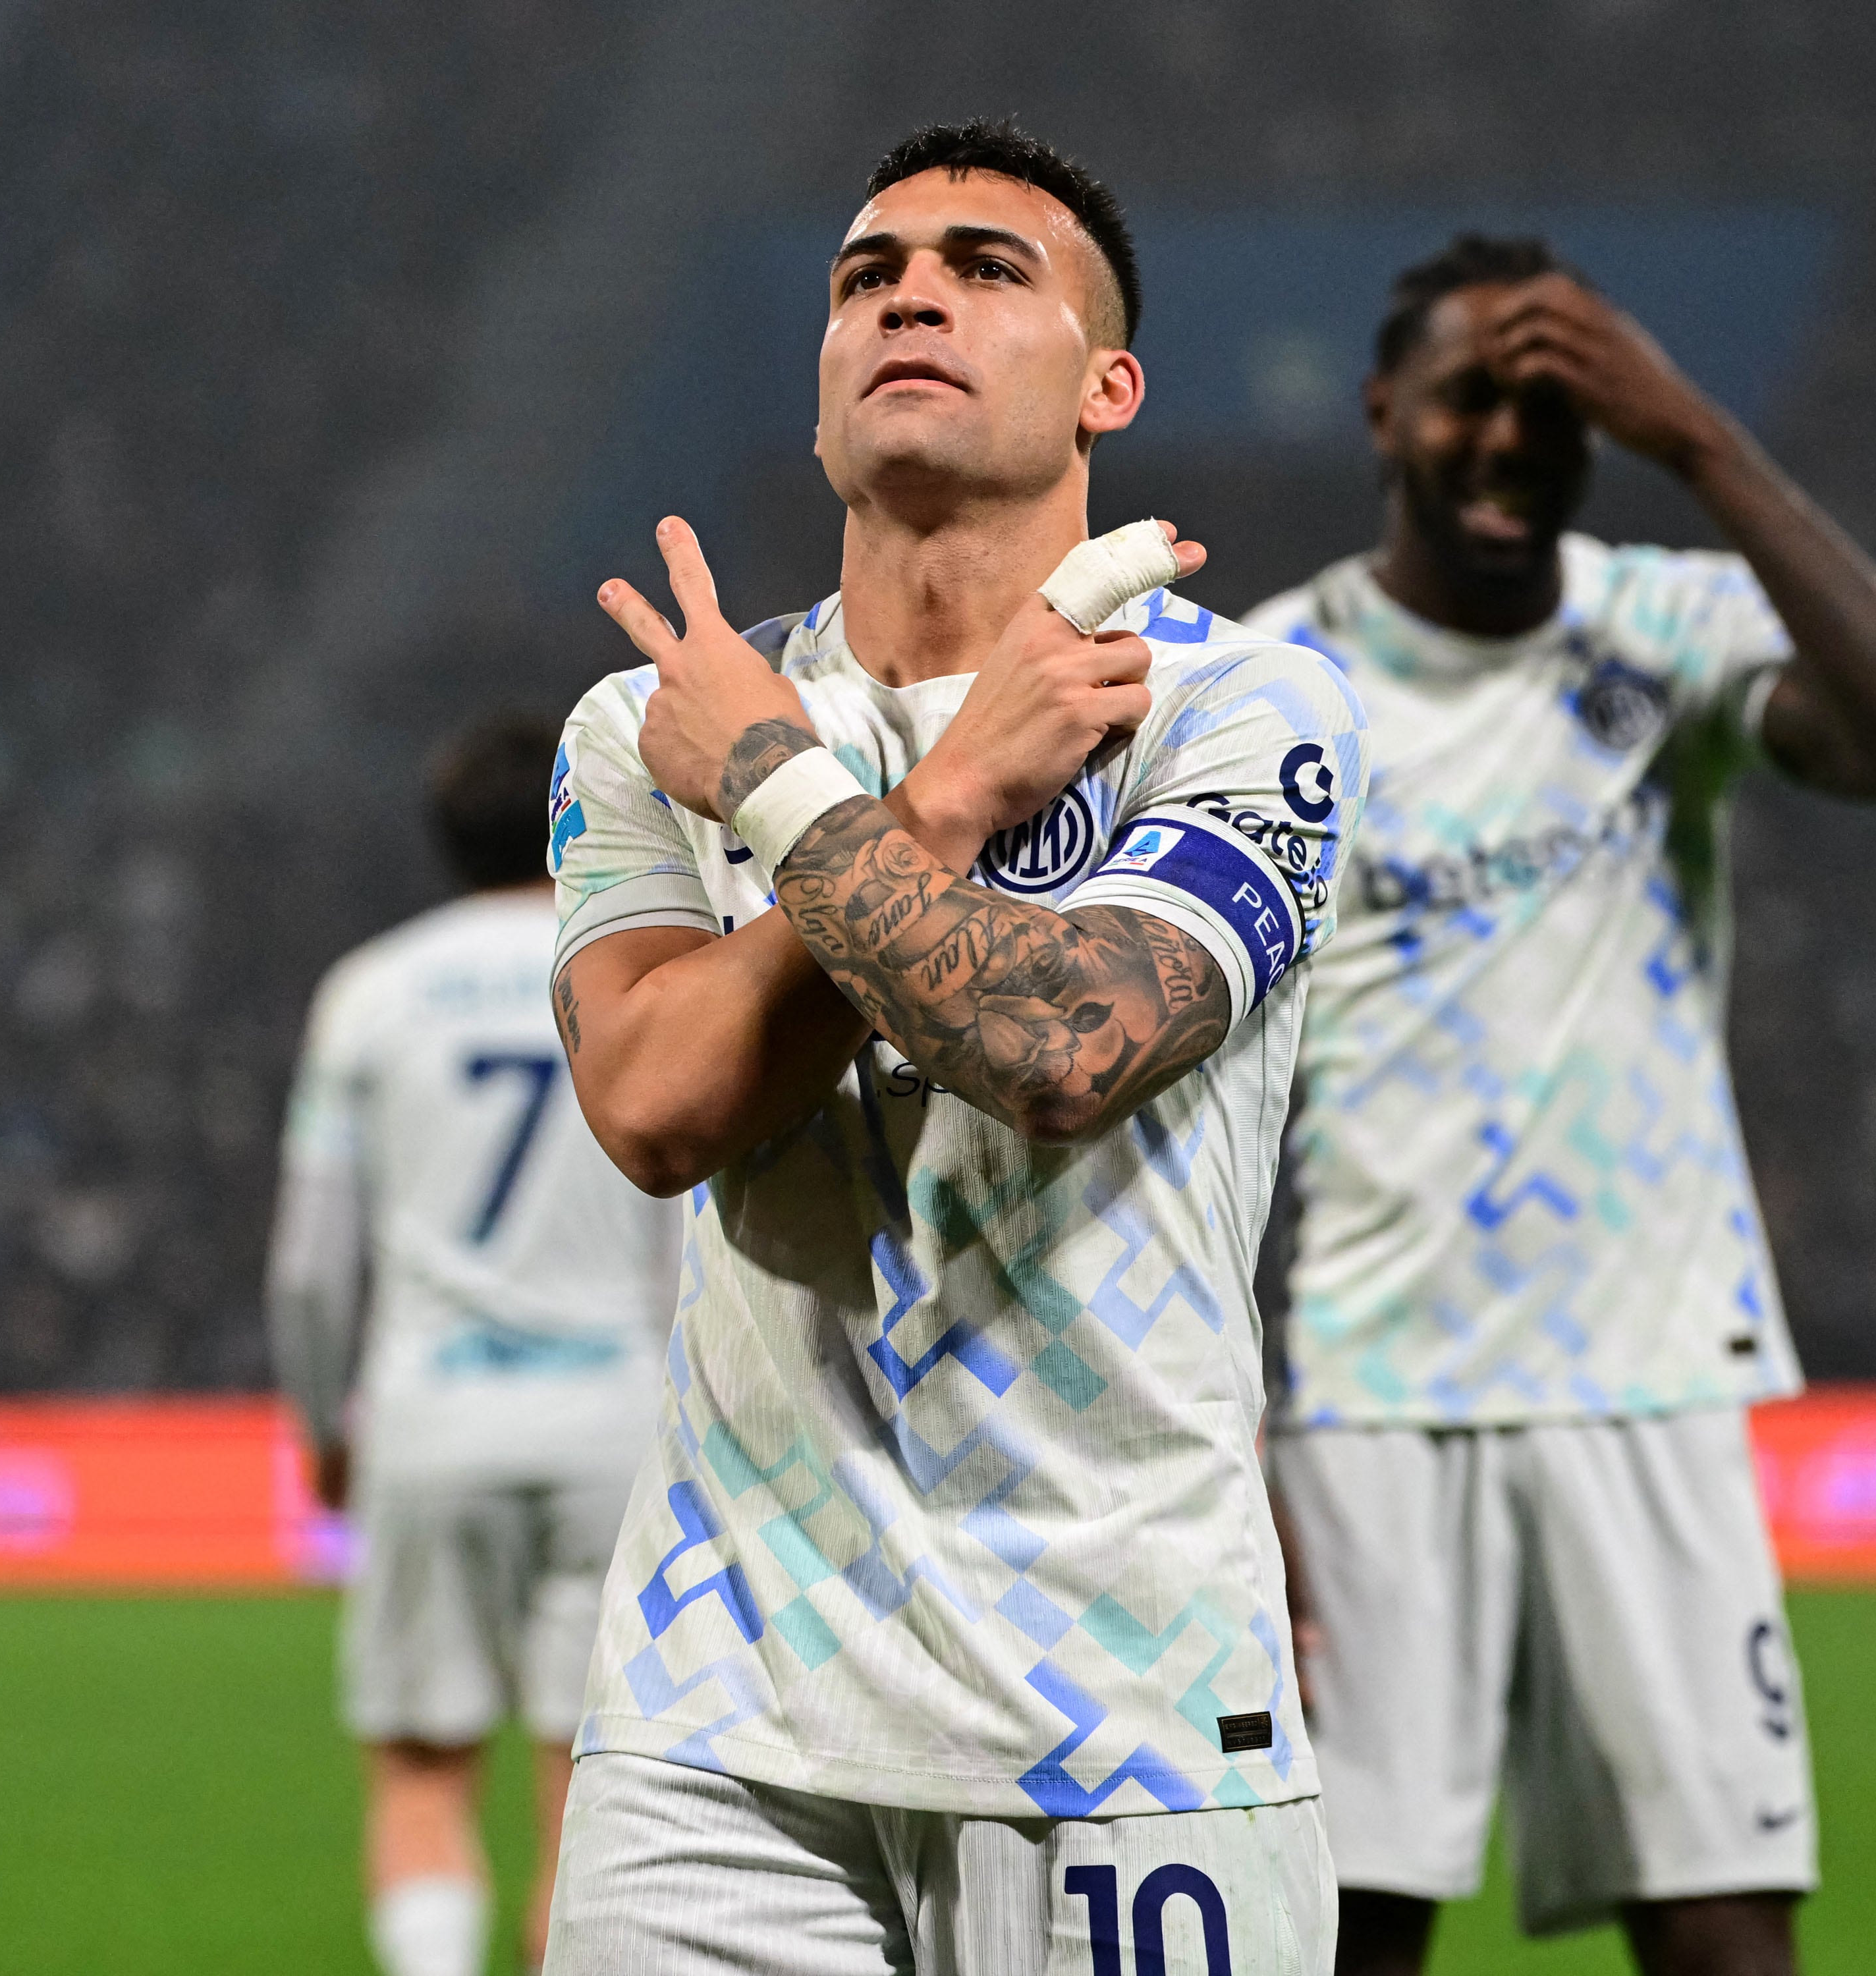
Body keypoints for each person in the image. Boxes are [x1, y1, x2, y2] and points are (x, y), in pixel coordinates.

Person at [540, 117, 1370, 1972]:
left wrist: (777, 789)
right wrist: (929, 803)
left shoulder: (1239, 705)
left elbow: (1063, 1048)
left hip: (1123, 1699)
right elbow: (658, 1108)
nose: (909, 295)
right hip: (716, 1713)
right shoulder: (651, 721)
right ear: (821, 392)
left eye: (986, 270)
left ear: (1105, 388)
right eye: (866, 278)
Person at [1244, 233, 1876, 1976]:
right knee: (1348, 1932)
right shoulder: (1276, 686)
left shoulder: (1663, 621)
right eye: (1469, 399)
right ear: (1383, 411)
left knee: (1723, 1935)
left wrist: (1704, 445)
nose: (1511, 440)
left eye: (1557, 410)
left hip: (1646, 1372)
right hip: (1366, 1393)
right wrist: (1235, 1420)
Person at [265, 714, 678, 1976]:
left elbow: (309, 1267)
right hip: (614, 1421)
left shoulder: (371, 991)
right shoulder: (640, 969)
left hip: (431, 1413)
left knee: (420, 1776)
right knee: (589, 1798)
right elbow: (685, 1226)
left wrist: (324, 1426)